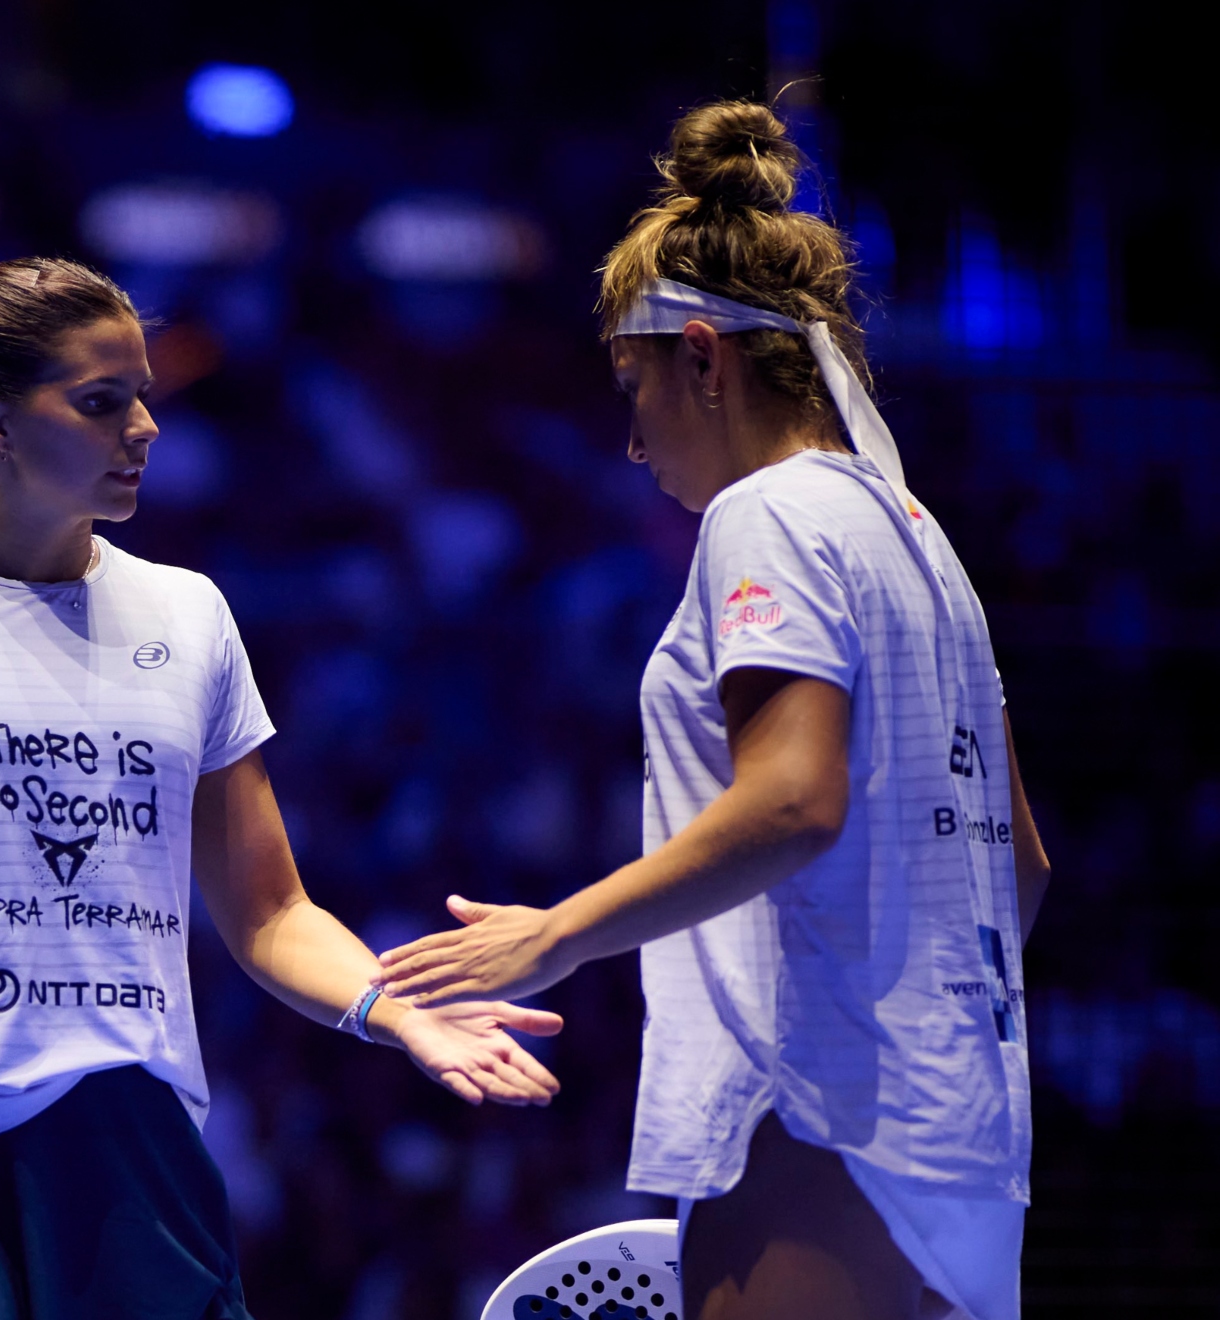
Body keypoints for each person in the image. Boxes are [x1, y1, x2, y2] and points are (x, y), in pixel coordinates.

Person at [0, 257, 564, 1320]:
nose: (145, 429)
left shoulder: (191, 617)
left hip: (128, 1134)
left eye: (145, 398)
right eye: (100, 402)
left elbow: (270, 911)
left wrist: (390, 1010)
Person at [376, 103, 1050, 1320]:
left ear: (703, 357)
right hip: (961, 1139)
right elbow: (1025, 869)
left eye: (633, 386)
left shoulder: (771, 516)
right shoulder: (917, 537)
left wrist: (551, 935)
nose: (633, 442)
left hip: (816, 1121)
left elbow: (793, 800)